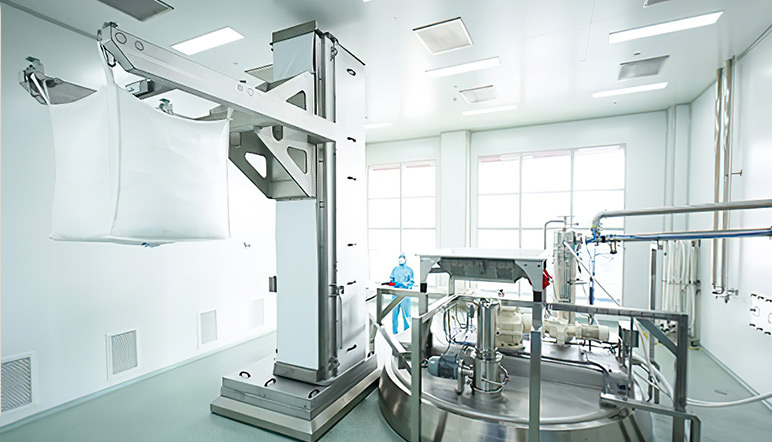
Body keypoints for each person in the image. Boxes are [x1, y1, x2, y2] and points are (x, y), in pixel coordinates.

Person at [389, 253, 414, 334]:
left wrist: (406, 285)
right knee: (394, 315)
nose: (401, 259)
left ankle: (406, 332)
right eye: (400, 258)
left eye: (402, 258)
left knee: (406, 315)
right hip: (395, 294)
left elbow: (411, 283)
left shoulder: (409, 270)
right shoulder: (395, 270)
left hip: (405, 295)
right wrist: (396, 284)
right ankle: (394, 332)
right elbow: (391, 283)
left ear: (405, 259)